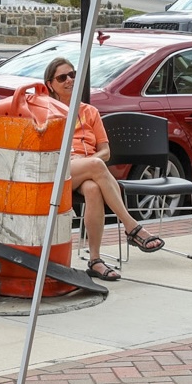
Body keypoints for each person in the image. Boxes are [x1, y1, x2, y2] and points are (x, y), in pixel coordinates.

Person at [41, 56, 165, 281]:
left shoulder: (89, 111)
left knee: (93, 189)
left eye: (73, 75)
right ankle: (131, 227)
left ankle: (95, 261)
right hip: (60, 168)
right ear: (50, 84)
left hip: (86, 169)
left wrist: (91, 163)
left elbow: (105, 152)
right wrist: (93, 163)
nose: (69, 80)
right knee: (97, 166)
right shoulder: (47, 111)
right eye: (62, 77)